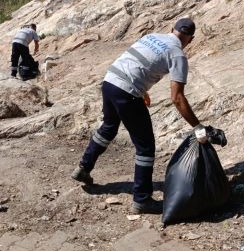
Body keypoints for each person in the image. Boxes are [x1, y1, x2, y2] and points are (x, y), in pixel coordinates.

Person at [72, 18, 220, 214]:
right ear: (190, 40)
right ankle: (142, 199)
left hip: (110, 81)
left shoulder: (152, 36)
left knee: (108, 127)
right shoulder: (177, 55)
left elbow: (138, 63)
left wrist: (143, 90)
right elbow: (177, 98)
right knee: (145, 146)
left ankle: (84, 168)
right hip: (127, 91)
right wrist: (198, 126)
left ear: (171, 29)